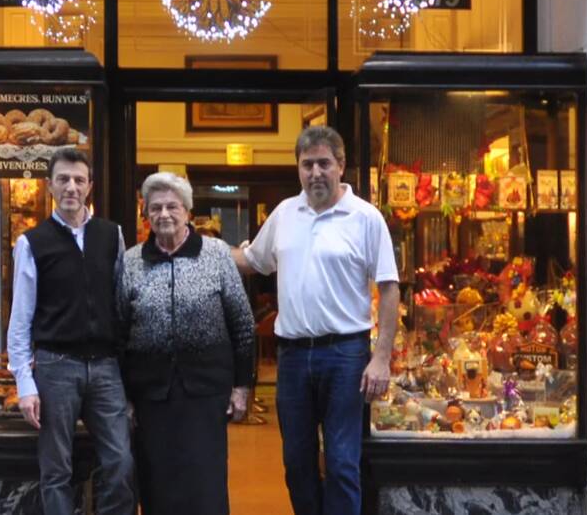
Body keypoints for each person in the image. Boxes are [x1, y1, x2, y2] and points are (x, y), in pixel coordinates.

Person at [232, 126, 400, 515]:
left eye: (324, 163)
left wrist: (381, 357)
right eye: (307, 165)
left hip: (346, 356)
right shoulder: (284, 214)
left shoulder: (365, 218)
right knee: (297, 463)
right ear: (298, 168)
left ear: (341, 165)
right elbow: (252, 260)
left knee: (341, 463)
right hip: (292, 358)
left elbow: (389, 288)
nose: (315, 173)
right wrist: (197, 246)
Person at [6, 147, 134, 515]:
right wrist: (24, 384)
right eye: (63, 179)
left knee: (121, 463)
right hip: (55, 367)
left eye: (79, 180)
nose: (71, 187)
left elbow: (121, 303)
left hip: (106, 367)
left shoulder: (111, 235)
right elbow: (20, 319)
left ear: (90, 185)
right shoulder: (31, 243)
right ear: (49, 185)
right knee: (56, 470)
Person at [118, 172, 255, 515]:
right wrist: (125, 396)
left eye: (172, 206)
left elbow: (242, 324)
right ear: (146, 214)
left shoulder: (216, 255)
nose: (164, 214)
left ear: (187, 211)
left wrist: (242, 387)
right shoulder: (131, 261)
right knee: (157, 483)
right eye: (155, 208)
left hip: (206, 393)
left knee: (204, 485)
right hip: (151, 395)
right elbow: (119, 330)